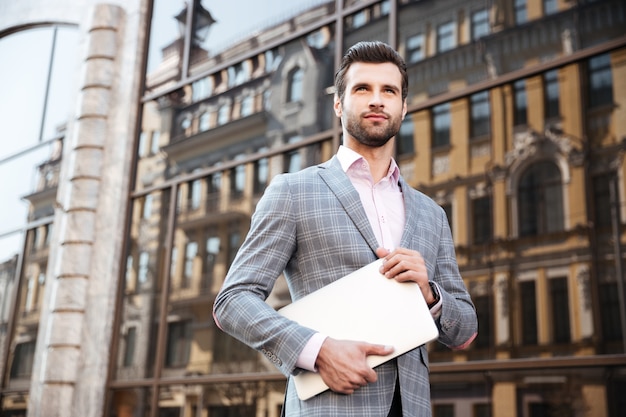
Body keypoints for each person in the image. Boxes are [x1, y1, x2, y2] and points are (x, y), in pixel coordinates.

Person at [213, 41, 478, 417]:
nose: (376, 100)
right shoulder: (293, 191)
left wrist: (431, 295)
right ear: (339, 105)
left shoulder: (431, 213)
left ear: (404, 107)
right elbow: (232, 302)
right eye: (362, 89)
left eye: (389, 90)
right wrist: (316, 350)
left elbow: (465, 331)